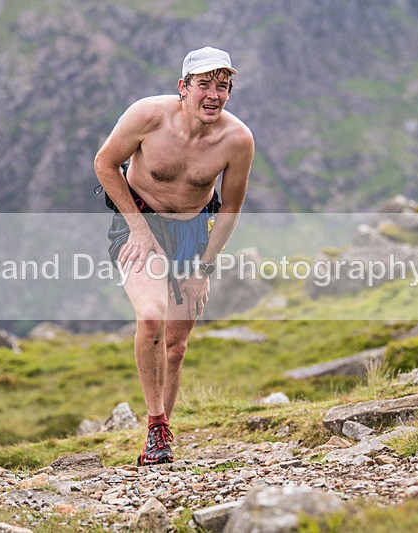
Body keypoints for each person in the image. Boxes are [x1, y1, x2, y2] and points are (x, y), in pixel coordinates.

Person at [93, 46, 254, 465]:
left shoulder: (237, 140)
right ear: (183, 88)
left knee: (177, 346)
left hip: (191, 234)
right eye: (204, 84)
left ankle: (162, 441)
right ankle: (155, 424)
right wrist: (138, 228)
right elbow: (105, 164)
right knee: (151, 319)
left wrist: (202, 268)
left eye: (223, 86)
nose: (214, 95)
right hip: (139, 220)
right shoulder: (147, 116)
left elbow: (232, 207)